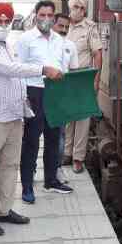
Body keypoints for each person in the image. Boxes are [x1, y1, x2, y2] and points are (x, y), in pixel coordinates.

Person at [0, 2, 63, 235]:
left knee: (9, 165)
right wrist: (43, 69)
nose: (3, 25)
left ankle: (4, 209)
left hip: (14, 116)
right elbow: (11, 69)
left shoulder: (7, 45)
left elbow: (15, 74)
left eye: (6, 21)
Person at [15, 0, 73, 204]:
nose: (46, 19)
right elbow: (18, 69)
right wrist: (22, 99)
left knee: (53, 138)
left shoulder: (60, 40)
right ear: (35, 15)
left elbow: (63, 65)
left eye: (50, 15)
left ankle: (51, 181)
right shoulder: (25, 39)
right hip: (34, 92)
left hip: (55, 92)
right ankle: (27, 186)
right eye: (42, 15)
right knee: (31, 142)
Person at [63, 0, 103, 174]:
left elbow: (97, 54)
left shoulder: (90, 27)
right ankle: (67, 153)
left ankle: (78, 158)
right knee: (68, 117)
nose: (79, 11)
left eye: (82, 8)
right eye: (75, 7)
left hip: (83, 76)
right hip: (63, 77)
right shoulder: (62, 25)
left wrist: (96, 80)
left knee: (83, 119)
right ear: (69, 7)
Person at [51, 13, 79, 184]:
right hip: (42, 93)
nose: (63, 30)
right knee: (33, 136)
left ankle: (57, 169)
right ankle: (30, 170)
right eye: (60, 26)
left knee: (60, 136)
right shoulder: (43, 43)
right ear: (52, 25)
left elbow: (74, 72)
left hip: (61, 96)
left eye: (66, 27)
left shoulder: (71, 46)